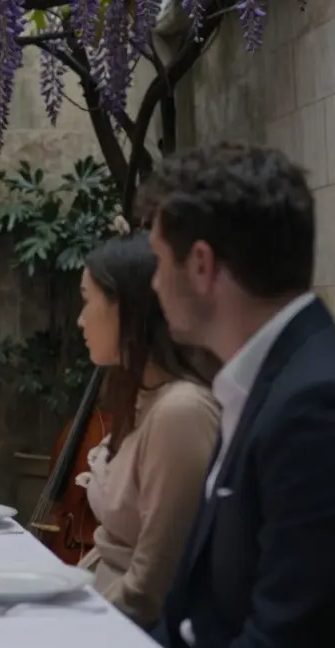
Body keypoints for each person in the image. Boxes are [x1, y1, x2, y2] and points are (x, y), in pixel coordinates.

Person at [142, 143, 335, 648]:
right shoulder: (269, 381)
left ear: (201, 264)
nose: (152, 283)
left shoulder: (327, 410)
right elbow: (194, 617)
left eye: (157, 260)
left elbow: (285, 639)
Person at [73, 231, 221, 630]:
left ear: (127, 307)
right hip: (98, 602)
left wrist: (69, 627)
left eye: (88, 301)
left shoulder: (180, 413)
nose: (80, 319)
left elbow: (151, 587)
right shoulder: (141, 398)